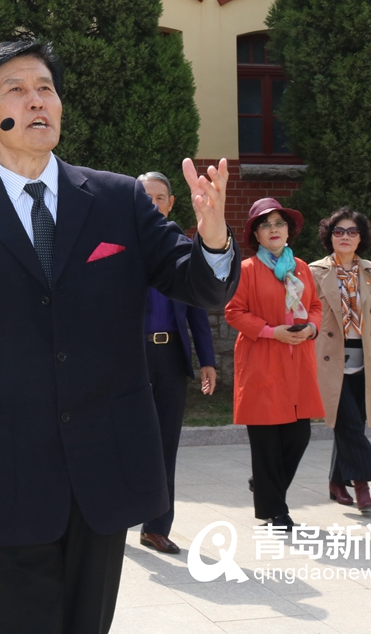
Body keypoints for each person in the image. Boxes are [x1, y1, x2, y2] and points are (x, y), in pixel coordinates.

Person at [0, 40, 240, 634]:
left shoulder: (118, 200)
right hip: (8, 475)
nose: (37, 101)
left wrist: (212, 239)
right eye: (17, 90)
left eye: (46, 89)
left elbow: (199, 286)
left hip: (105, 469)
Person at [225, 198, 324, 531]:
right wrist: (271, 332)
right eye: (265, 225)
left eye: (279, 223)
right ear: (256, 234)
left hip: (298, 364)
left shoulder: (301, 268)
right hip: (263, 362)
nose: (273, 229)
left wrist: (311, 328)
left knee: (298, 436)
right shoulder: (246, 269)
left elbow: (315, 306)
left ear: (288, 230)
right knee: (267, 442)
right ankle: (276, 512)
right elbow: (234, 312)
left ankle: (265, 484)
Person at [136, 172, 217, 555]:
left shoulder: (184, 249)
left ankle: (156, 526)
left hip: (170, 358)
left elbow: (197, 309)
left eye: (160, 197)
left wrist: (208, 360)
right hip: (129, 359)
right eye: (145, 196)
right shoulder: (118, 247)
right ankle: (110, 520)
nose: (153, 203)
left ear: (170, 204)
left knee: (166, 443)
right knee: (119, 440)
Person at [310, 207, 371, 511]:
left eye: (352, 231)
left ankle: (336, 482)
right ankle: (362, 485)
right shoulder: (314, 271)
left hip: (366, 360)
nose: (345, 236)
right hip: (328, 360)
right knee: (349, 424)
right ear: (329, 237)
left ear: (361, 238)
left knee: (351, 424)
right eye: (338, 231)